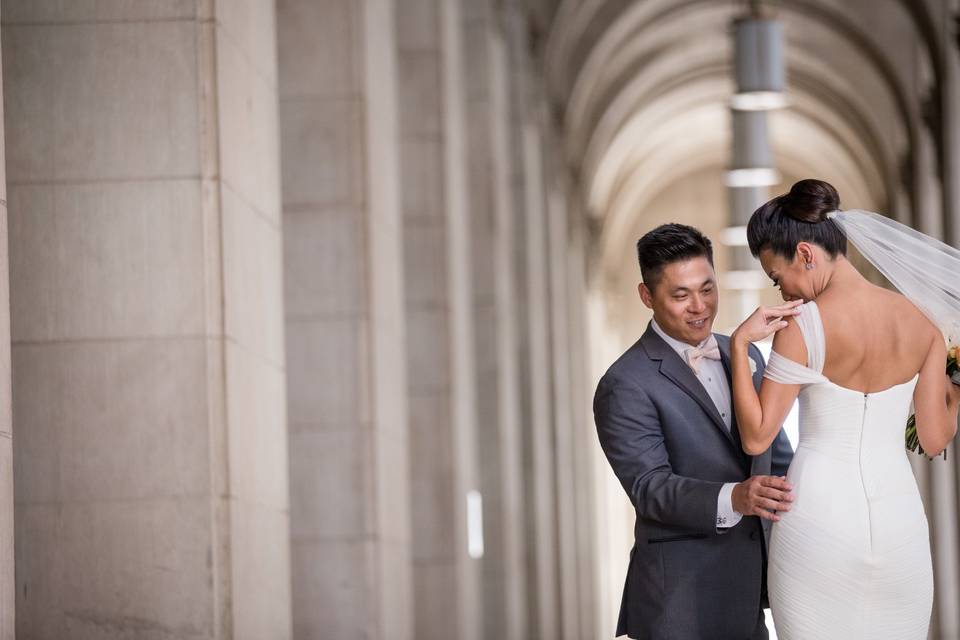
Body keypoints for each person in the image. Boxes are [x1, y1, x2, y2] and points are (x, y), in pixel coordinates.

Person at [730, 179, 960, 639]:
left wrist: (739, 345)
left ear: (806, 255)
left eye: (779, 277)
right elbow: (934, 439)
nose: (783, 292)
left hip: (816, 519)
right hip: (899, 522)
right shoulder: (924, 323)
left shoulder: (801, 328)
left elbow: (757, 435)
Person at [594, 223, 794, 640]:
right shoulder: (624, 383)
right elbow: (650, 487)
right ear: (647, 296)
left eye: (707, 289)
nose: (699, 307)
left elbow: (777, 455)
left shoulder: (743, 349)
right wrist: (735, 497)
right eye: (680, 295)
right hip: (680, 605)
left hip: (752, 594)